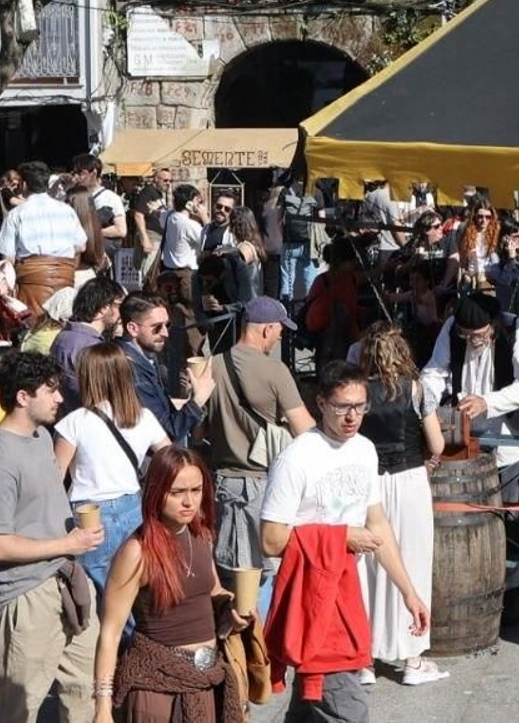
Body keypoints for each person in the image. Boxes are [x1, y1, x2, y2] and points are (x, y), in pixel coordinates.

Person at [259, 360, 430, 723]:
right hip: (310, 593)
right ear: (321, 403)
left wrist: (409, 592)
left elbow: (377, 525)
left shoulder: (364, 450)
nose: (352, 416)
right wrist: (341, 537)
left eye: (360, 406)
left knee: (313, 701)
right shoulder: (297, 458)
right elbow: (271, 540)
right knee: (345, 704)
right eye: (342, 407)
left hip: (346, 589)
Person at [0, 351, 103, 721]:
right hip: (23, 597)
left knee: (83, 693)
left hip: (65, 584)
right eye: (51, 391)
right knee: (17, 707)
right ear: (23, 397)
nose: (60, 398)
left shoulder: (43, 437)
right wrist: (68, 544)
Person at [92, 445, 250, 721]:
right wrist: (103, 708)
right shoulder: (137, 551)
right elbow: (110, 632)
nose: (189, 502)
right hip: (155, 687)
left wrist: (232, 609)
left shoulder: (201, 535)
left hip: (205, 679)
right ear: (156, 492)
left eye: (196, 490)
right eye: (177, 493)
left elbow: (212, 590)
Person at [421, 292, 519, 618]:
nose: (471, 339)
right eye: (466, 334)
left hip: (510, 439)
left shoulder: (518, 331)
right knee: (471, 516)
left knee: (510, 515)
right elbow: (435, 371)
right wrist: (428, 399)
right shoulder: (451, 330)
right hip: (467, 437)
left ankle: (512, 590)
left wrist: (488, 401)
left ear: (493, 326)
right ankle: (475, 585)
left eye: (477, 334)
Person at [202, 296, 311, 620]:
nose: (280, 337)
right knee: (262, 576)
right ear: (266, 329)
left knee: (231, 574)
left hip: (223, 483)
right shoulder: (276, 371)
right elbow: (305, 430)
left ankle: (234, 649)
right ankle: (256, 650)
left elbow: (198, 430)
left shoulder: (212, 365)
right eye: (279, 331)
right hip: (264, 485)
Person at [356, 324, 445, 684]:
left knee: (368, 569)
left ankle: (364, 660)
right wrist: (427, 458)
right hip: (408, 480)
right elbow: (437, 444)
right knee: (413, 563)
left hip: (369, 483)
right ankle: (412, 658)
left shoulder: (358, 393)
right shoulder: (416, 389)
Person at [54, 341, 170, 602]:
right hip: (133, 507)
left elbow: (55, 478)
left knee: (93, 591)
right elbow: (169, 457)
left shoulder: (74, 423)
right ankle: (129, 639)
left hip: (89, 513)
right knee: (131, 587)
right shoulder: (143, 417)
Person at [0, 161, 86, 321]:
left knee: (33, 334)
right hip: (65, 280)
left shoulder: (16, 214)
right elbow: (81, 245)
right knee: (62, 327)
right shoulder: (66, 210)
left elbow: (8, 258)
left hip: (31, 283)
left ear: (23, 184)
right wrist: (58, 256)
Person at [119, 293, 213, 445]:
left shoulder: (146, 357)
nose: (165, 333)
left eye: (167, 325)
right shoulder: (130, 370)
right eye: (157, 327)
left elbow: (162, 412)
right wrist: (198, 400)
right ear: (132, 328)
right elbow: (167, 431)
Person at [49, 276, 126, 406]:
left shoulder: (63, 337)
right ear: (103, 308)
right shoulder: (90, 347)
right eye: (118, 305)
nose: (121, 313)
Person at [442, 194, 501, 292]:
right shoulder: (465, 230)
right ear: (475, 216)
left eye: (488, 217)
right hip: (470, 274)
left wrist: (483, 274)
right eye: (480, 217)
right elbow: (462, 260)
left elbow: (496, 263)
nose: (484, 220)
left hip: (489, 275)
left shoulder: (496, 231)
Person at [69, 154, 126, 245]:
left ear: (94, 173)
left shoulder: (111, 199)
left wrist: (92, 232)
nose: (76, 177)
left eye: (81, 173)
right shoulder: (71, 196)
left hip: (98, 252)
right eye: (74, 173)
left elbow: (121, 230)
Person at [64, 186, 111, 286]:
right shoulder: (94, 229)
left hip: (73, 277)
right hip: (89, 276)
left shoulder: (73, 231)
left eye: (66, 202)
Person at [129, 167, 173, 261]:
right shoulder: (147, 192)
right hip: (151, 236)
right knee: (149, 271)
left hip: (158, 238)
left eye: (170, 181)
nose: (168, 183)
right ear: (156, 179)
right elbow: (138, 215)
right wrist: (145, 239)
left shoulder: (159, 194)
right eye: (165, 180)